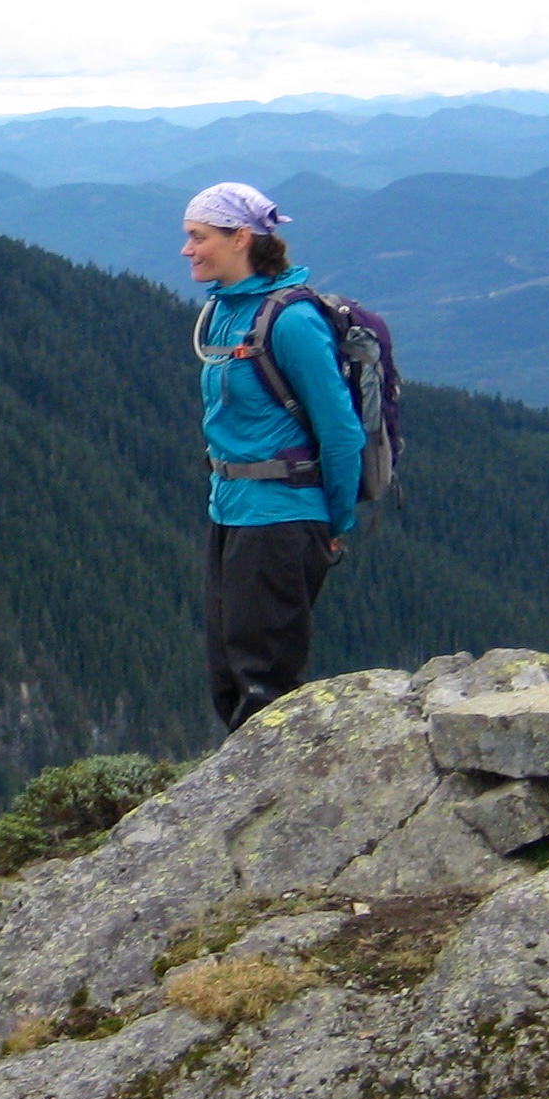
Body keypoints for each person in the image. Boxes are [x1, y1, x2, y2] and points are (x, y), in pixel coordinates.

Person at [182, 182, 364, 734]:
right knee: (229, 677)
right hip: (231, 511)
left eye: (199, 237)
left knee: (265, 683)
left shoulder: (291, 320)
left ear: (241, 238)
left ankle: (270, 805)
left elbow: (341, 433)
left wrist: (336, 521)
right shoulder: (220, 312)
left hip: (283, 518)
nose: (188, 249)